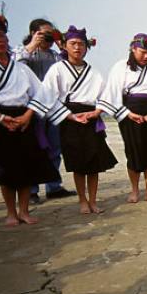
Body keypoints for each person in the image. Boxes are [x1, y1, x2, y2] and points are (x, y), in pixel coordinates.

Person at [0, 11, 61, 225]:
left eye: (2, 36)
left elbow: (41, 92)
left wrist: (27, 115)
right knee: (5, 166)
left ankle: (24, 211)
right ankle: (10, 212)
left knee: (26, 164)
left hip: (24, 117)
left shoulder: (20, 67)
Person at [42, 26, 117, 214]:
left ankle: (93, 200)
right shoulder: (57, 69)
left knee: (94, 163)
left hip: (90, 117)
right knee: (78, 163)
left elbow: (106, 95)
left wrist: (96, 112)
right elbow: (48, 95)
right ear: (64, 46)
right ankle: (82, 200)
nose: (77, 48)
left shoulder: (93, 72)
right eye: (73, 44)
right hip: (69, 117)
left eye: (81, 44)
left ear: (86, 47)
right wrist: (69, 116)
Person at [99, 33, 147, 203]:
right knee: (134, 153)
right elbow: (113, 92)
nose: (146, 56)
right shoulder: (120, 67)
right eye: (142, 52)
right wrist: (127, 113)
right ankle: (134, 191)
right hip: (130, 113)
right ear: (133, 49)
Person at [14, 18, 76, 203]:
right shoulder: (22, 52)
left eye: (51, 33)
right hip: (31, 108)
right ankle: (31, 190)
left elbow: (71, 68)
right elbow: (13, 66)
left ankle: (53, 186)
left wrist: (62, 45)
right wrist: (33, 45)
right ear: (33, 33)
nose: (48, 38)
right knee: (33, 149)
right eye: (44, 34)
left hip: (53, 107)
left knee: (55, 148)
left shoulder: (56, 56)